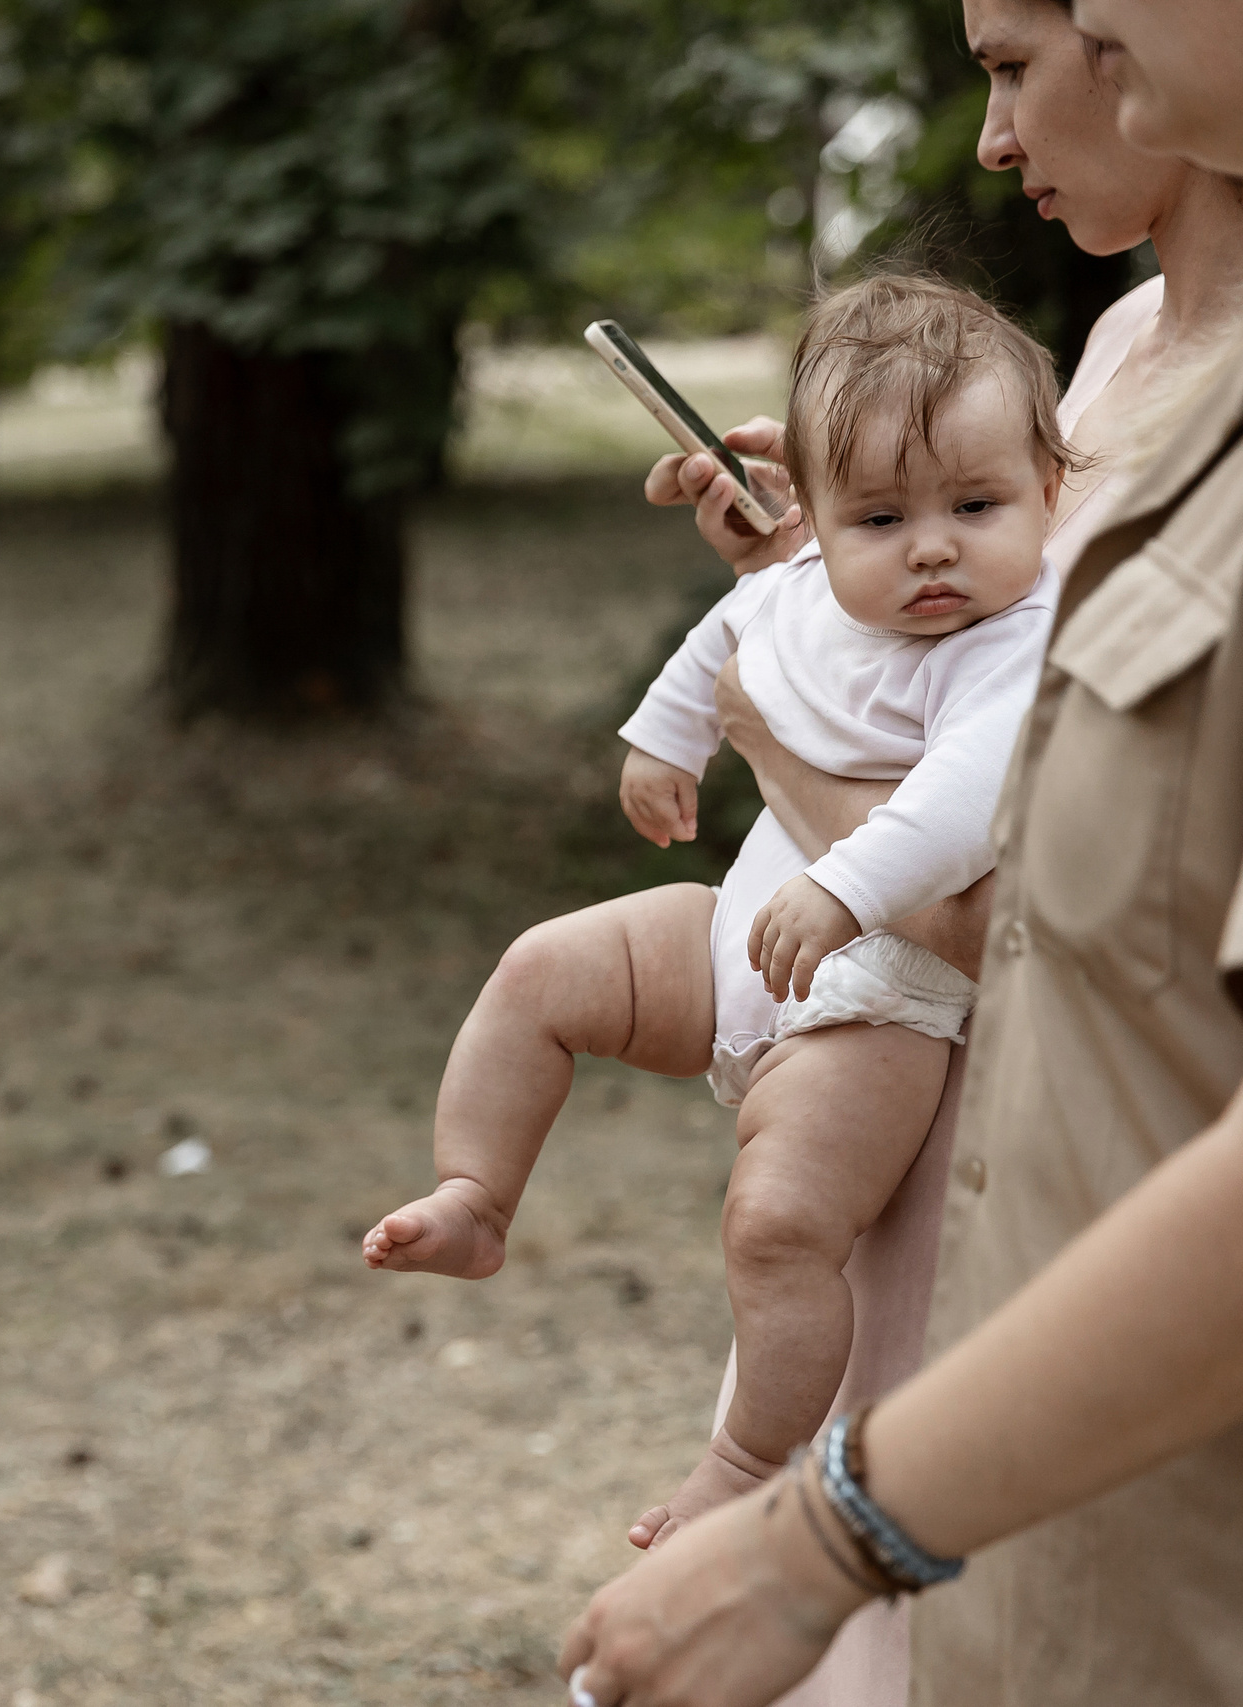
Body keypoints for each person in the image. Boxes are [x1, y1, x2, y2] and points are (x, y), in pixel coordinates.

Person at [559, 2, 1243, 1701]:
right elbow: (1002, 736)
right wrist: (814, 593)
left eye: (1024, 58)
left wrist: (791, 749)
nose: (998, 128)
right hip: (943, 1268)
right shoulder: (1123, 353)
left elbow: (1029, 890)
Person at [362, 275, 1069, 1552]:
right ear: (815, 512)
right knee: (540, 970)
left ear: (1048, 494)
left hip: (880, 992)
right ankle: (475, 1192)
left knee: (779, 1221)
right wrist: (664, 740)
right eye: (878, 516)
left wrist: (842, 888)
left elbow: (965, 806)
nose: (929, 548)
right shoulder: (802, 584)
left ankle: (746, 1460)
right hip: (743, 933)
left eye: (976, 506)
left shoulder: (1013, 638)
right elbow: (729, 633)